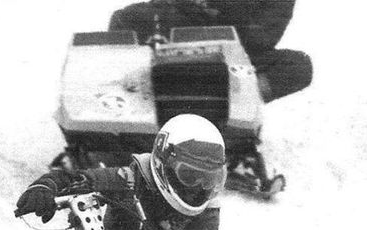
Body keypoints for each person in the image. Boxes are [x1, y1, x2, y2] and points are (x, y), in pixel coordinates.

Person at [108, 0, 312, 194]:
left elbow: (263, 37)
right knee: (124, 20)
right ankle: (120, 112)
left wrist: (221, 11)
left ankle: (232, 124)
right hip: (185, 29)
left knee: (299, 66)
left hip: (234, 53)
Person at [16, 114, 226, 230]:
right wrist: (46, 186)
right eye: (189, 176)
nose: (199, 188)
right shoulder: (130, 179)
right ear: (164, 163)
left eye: (208, 180)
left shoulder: (208, 212)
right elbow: (81, 178)